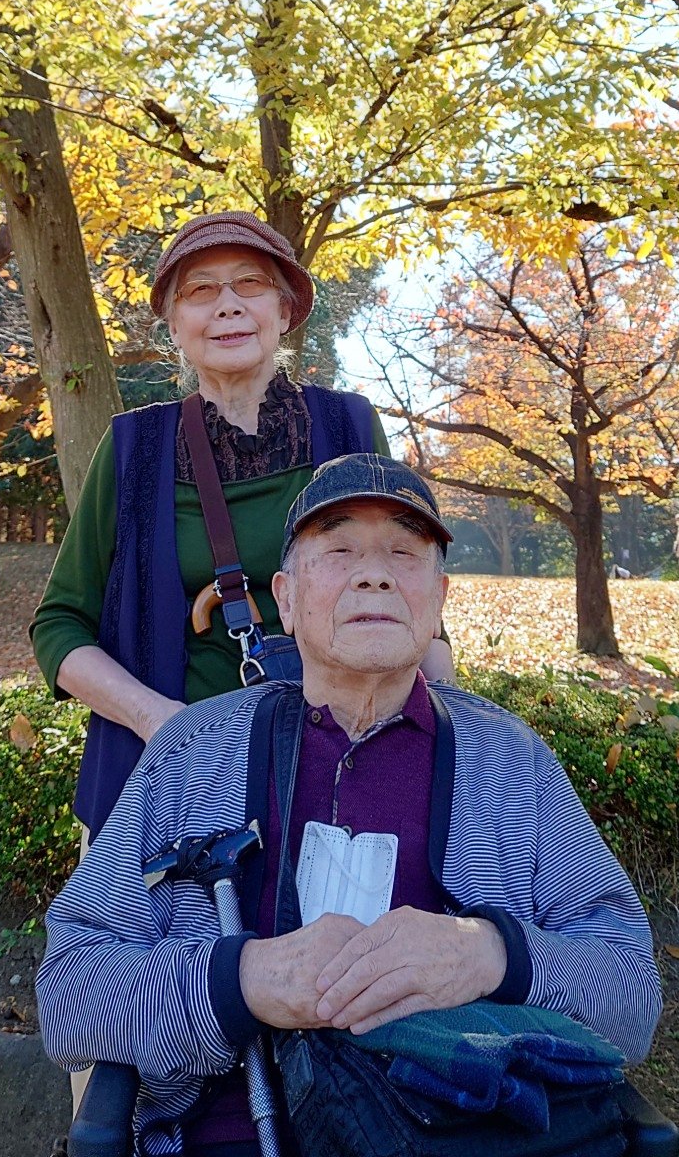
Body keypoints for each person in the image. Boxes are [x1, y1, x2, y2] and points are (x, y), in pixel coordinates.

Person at [37, 454, 662, 1157]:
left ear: (439, 598)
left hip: (462, 1133)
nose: (375, 573)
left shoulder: (511, 763)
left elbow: (631, 995)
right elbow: (71, 993)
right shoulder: (194, 753)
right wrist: (243, 981)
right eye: (338, 550)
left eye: (404, 551)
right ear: (287, 596)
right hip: (234, 1133)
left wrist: (494, 957)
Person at [30, 210, 453, 837]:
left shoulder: (350, 427)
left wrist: (453, 725)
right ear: (175, 325)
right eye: (200, 290)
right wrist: (160, 723)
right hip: (172, 780)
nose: (227, 305)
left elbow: (411, 594)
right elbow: (60, 626)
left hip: (344, 770)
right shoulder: (131, 450)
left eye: (250, 284)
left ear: (283, 312)